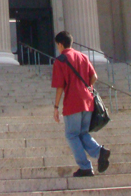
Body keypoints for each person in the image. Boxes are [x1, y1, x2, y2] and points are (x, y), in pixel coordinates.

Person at [51, 30, 110, 177]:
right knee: (82, 133)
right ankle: (100, 151)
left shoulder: (61, 60)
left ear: (60, 44)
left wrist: (56, 107)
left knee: (71, 135)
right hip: (87, 101)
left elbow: (60, 86)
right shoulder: (82, 56)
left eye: (57, 45)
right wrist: (86, 87)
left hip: (73, 101)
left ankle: (85, 166)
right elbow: (94, 76)